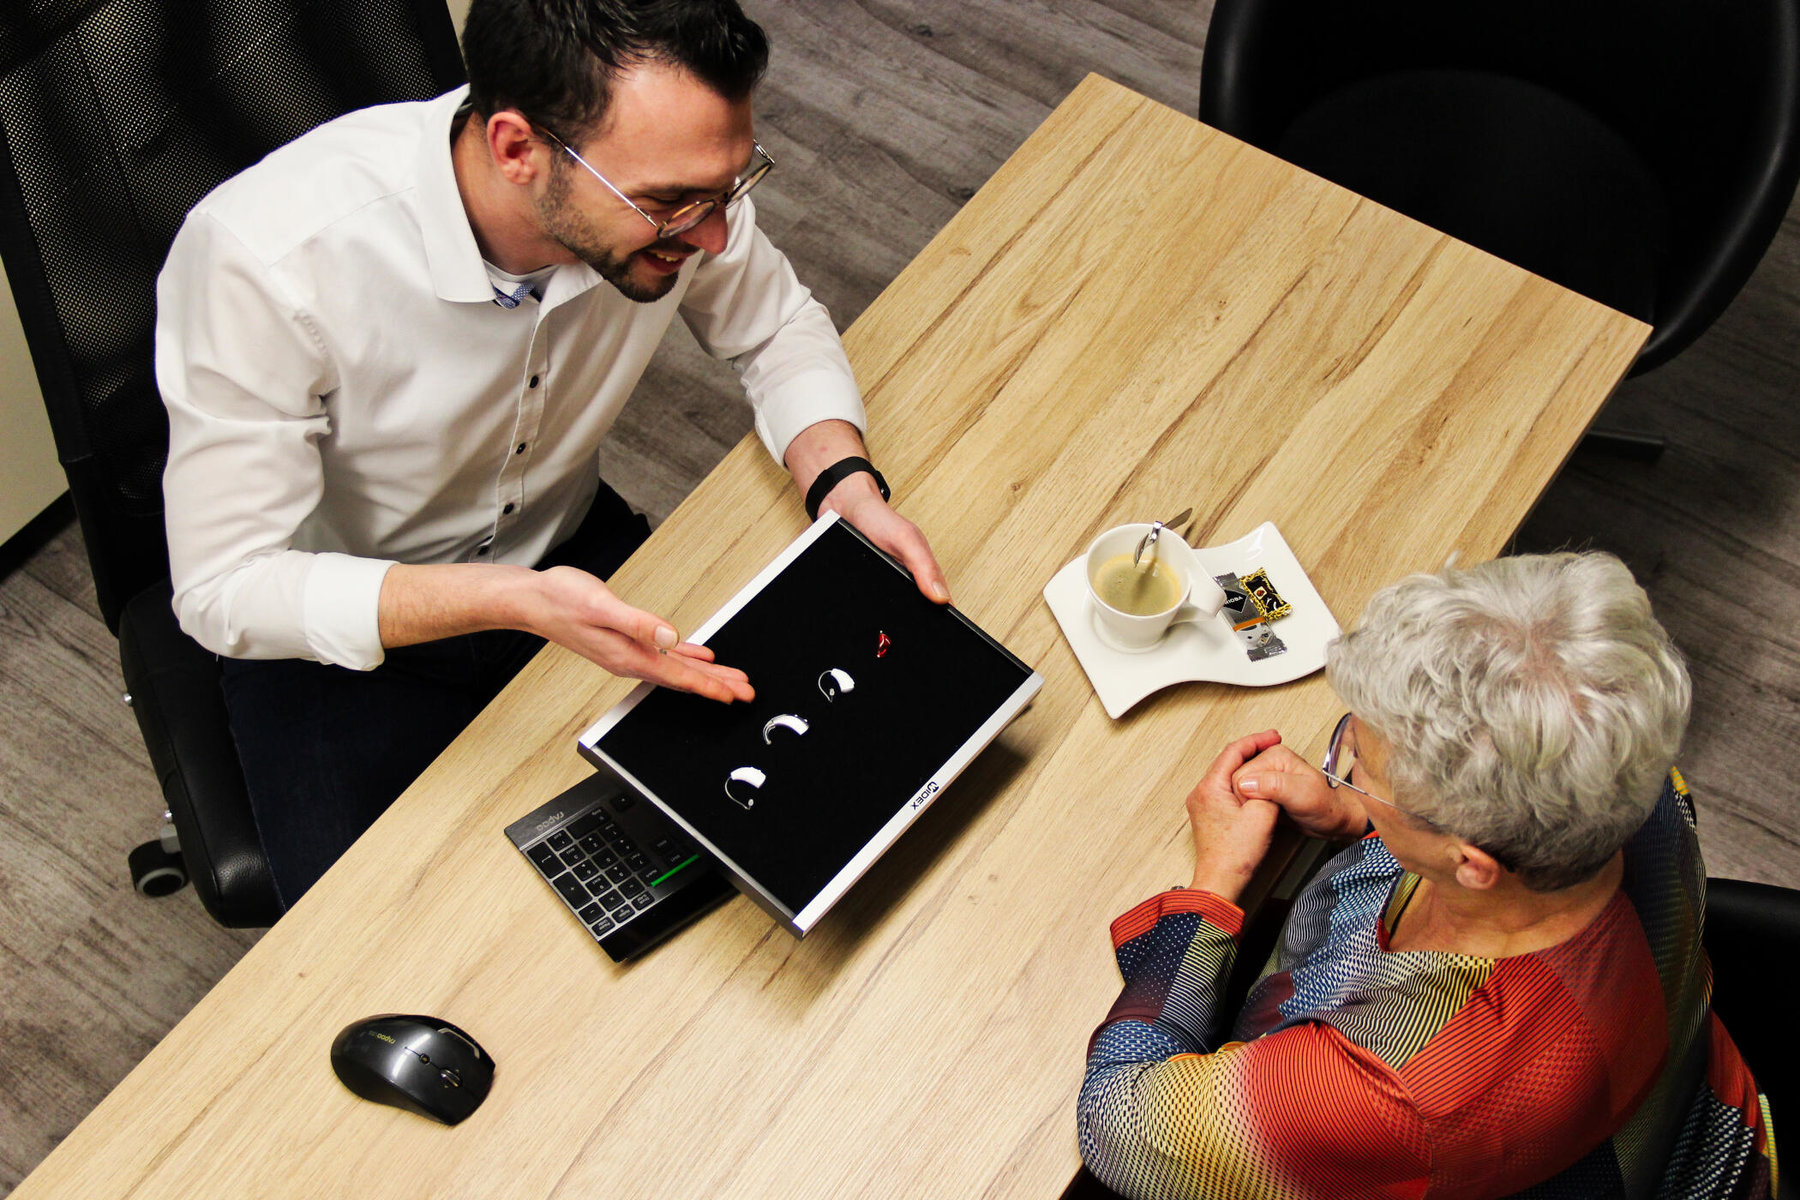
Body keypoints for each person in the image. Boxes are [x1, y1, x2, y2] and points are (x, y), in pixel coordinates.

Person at [154, 0, 947, 910]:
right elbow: (223, 589)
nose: (715, 236)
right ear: (516, 147)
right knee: (397, 963)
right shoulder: (267, 261)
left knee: (798, 820)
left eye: (732, 186)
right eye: (669, 205)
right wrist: (514, 603)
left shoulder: (678, 185)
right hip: (341, 641)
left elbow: (774, 329)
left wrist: (841, 482)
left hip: (570, 560)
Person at [1078, 552, 1777, 1199]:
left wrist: (1215, 881)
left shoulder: (1407, 1092)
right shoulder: (1624, 769)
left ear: (1470, 862)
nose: (1345, 761)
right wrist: (1362, 813)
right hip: (1687, 1111)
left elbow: (1119, 1124)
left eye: (1364, 765)